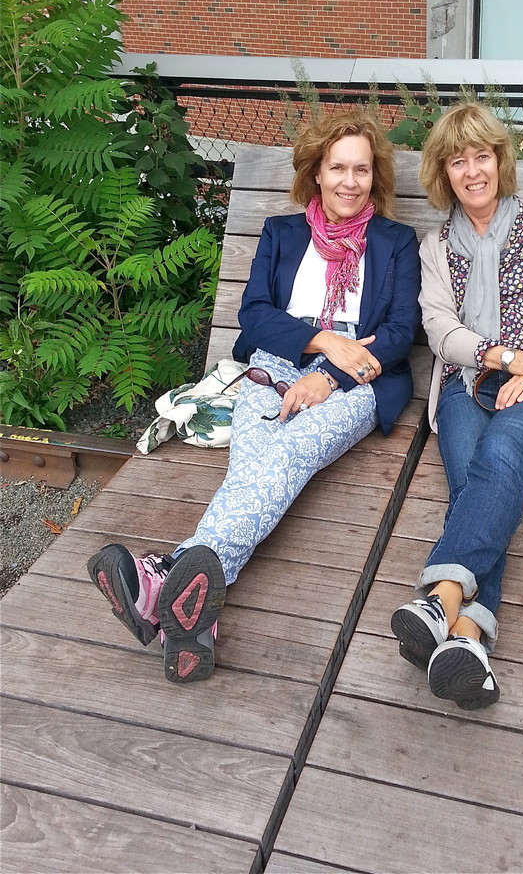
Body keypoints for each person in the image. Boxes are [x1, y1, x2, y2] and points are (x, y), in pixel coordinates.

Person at [88, 109, 421, 684]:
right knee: (252, 463)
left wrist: (332, 374)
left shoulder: (396, 243)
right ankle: (194, 620)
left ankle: (162, 579)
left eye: (361, 170)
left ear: (375, 177)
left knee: (286, 455)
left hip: (359, 380)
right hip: (274, 366)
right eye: (337, 167)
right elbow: (255, 318)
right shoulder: (282, 234)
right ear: (316, 172)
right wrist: (321, 341)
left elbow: (399, 333)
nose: (349, 181)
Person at [391, 102, 523, 710]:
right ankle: (468, 638)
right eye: (458, 161)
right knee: (478, 487)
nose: (472, 171)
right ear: (444, 173)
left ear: (500, 161)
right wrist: (508, 359)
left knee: (502, 452)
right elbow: (440, 329)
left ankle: (438, 598)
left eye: (481, 156)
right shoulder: (436, 248)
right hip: (465, 384)